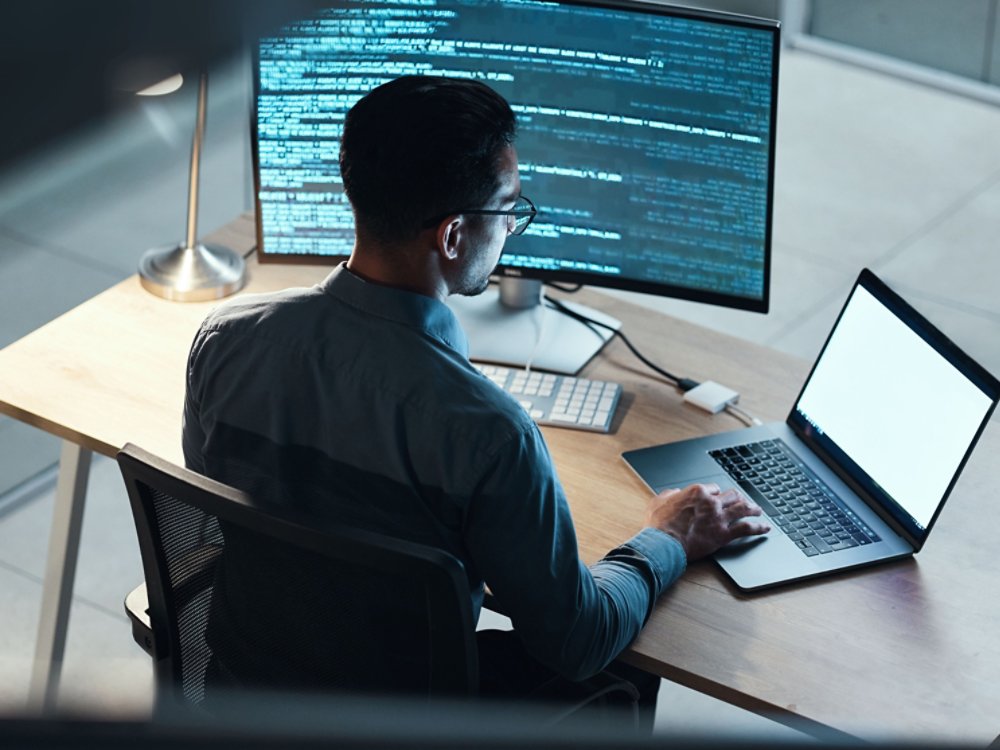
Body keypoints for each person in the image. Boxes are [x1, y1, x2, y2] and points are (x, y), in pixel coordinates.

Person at [182, 75, 769, 720]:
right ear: (454, 236)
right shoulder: (489, 432)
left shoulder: (224, 340)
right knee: (622, 664)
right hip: (404, 724)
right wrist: (669, 537)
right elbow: (578, 641)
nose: (513, 227)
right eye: (510, 209)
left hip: (245, 700)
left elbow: (219, 524)